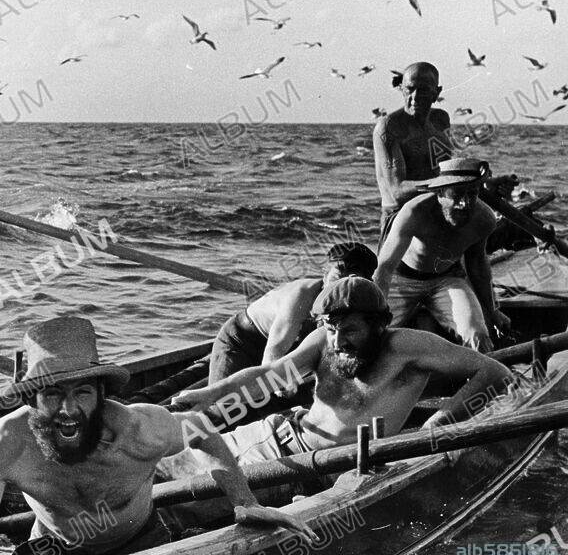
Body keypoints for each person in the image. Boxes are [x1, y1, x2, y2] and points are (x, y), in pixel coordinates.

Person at [0, 317, 315, 555]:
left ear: (101, 395)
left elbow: (203, 430)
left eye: (83, 393)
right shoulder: (4, 445)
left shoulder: (138, 430)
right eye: (53, 394)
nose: (69, 410)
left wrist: (244, 502)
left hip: (139, 546)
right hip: (53, 553)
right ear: (31, 399)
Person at [171, 278, 514, 470]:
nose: (338, 340)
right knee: (165, 466)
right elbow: (271, 374)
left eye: (349, 330)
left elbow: (495, 372)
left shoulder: (410, 347)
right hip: (277, 437)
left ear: (379, 325)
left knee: (194, 497)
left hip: (324, 468)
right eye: (332, 329)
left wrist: (438, 424)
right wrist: (210, 395)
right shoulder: (325, 340)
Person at [374, 157, 511, 353]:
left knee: (477, 334)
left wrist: (493, 311)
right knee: (374, 336)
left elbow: (478, 267)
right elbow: (384, 267)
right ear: (439, 193)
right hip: (401, 279)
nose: (464, 204)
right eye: (456, 195)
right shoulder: (414, 213)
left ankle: (485, 380)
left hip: (446, 280)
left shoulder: (485, 219)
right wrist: (376, 310)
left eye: (472, 195)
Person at [210, 242, 378, 385]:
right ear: (324, 276)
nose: (339, 290)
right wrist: (279, 384)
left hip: (290, 347)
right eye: (335, 281)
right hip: (243, 340)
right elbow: (274, 350)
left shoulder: (363, 300)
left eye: (347, 284)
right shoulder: (302, 296)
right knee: (222, 408)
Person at [372, 62, 453, 248]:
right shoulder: (389, 127)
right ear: (402, 89)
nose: (415, 97)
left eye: (423, 90)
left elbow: (448, 170)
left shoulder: (440, 120)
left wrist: (481, 181)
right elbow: (398, 191)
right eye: (409, 89)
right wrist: (450, 184)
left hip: (437, 208)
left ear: (436, 93)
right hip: (400, 217)